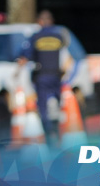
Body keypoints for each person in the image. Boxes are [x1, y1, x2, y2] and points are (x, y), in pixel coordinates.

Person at [24, 9, 68, 139]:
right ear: (52, 21)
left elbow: (28, 55)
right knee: (60, 102)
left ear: (40, 22)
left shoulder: (36, 37)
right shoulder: (59, 37)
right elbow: (66, 56)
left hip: (42, 75)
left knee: (42, 104)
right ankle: (61, 128)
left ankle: (48, 130)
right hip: (56, 75)